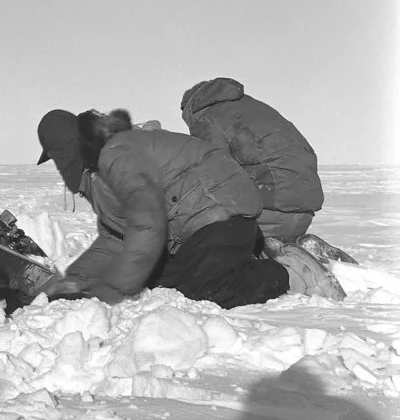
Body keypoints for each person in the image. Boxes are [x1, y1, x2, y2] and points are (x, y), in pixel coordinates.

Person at [35, 107, 344, 307]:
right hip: (200, 217)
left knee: (207, 289)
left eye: (58, 157)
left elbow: (146, 227)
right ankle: (258, 252)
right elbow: (115, 238)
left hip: (216, 208)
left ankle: (289, 272)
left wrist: (111, 288)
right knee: (158, 280)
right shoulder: (98, 172)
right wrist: (76, 278)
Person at [180, 77, 356, 265]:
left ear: (190, 108)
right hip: (303, 206)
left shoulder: (206, 118)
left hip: (270, 206)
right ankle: (304, 249)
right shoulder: (250, 107)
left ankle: (290, 262)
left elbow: (211, 170)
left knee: (211, 240)